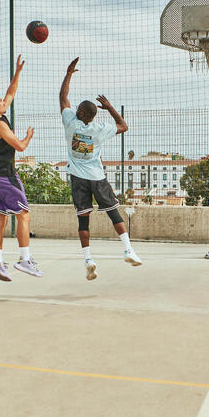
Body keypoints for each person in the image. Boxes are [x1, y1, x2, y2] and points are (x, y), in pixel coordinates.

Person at [59, 57, 142, 280]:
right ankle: (128, 250)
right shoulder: (99, 128)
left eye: (79, 109)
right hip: (96, 176)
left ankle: (88, 259)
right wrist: (110, 108)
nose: (75, 109)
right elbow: (123, 126)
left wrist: (68, 74)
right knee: (113, 212)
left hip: (77, 178)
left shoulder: (71, 122)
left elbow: (63, 98)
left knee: (83, 220)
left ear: (82, 115)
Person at [0, 54, 43, 281]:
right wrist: (28, 136)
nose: (4, 101)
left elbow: (11, 92)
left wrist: (17, 72)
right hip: (5, 178)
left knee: (1, 219)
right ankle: (25, 260)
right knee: (24, 215)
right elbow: (20, 147)